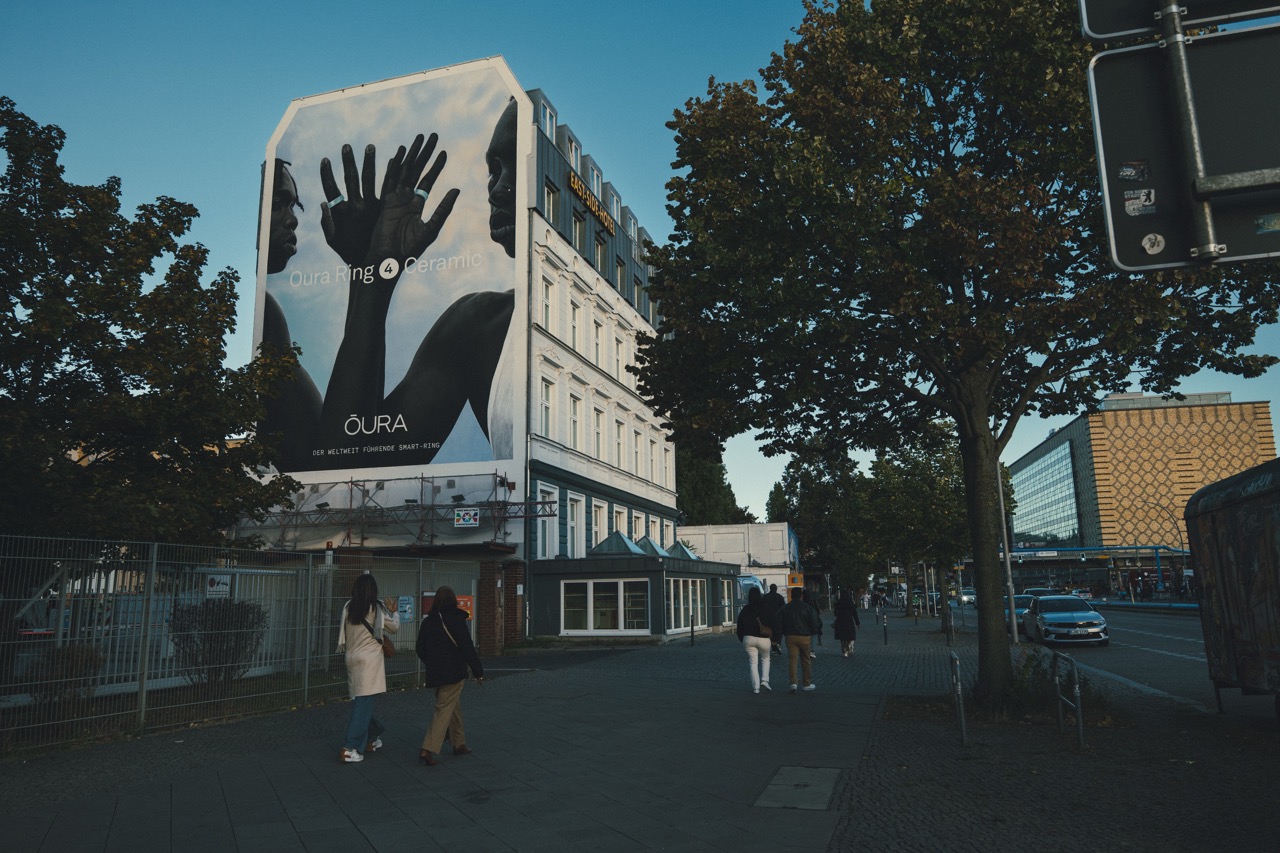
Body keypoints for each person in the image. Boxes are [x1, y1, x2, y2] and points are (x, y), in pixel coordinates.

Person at [415, 585, 485, 766]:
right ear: (453, 601)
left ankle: (458, 742)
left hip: (435, 672)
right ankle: (428, 748)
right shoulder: (456, 620)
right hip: (454, 672)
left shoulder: (428, 622)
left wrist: (431, 662)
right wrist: (478, 672)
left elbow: (419, 649)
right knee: (444, 709)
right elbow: (467, 647)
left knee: (453, 707)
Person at [336, 572, 400, 763]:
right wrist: (394, 611)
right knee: (363, 703)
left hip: (351, 657)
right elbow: (394, 628)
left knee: (362, 701)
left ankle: (371, 738)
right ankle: (350, 747)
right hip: (369, 661)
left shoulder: (348, 606)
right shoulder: (376, 608)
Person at [778, 587, 822, 693]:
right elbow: (815, 622)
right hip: (805, 636)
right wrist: (813, 631)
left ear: (791, 596)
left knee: (792, 659)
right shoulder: (807, 608)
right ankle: (806, 683)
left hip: (790, 636)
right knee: (806, 659)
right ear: (801, 596)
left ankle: (793, 683)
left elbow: (779, 621)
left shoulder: (785, 608)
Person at [735, 587, 774, 694]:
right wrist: (774, 639)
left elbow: (739, 626)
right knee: (766, 659)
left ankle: (756, 688)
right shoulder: (766, 608)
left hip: (748, 638)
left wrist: (742, 638)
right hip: (764, 639)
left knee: (753, 663)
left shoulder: (745, 609)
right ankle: (765, 681)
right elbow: (773, 623)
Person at [832, 590, 862, 657]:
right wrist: (858, 623)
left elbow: (835, 614)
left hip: (840, 622)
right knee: (850, 636)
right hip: (849, 622)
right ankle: (849, 645)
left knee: (842, 637)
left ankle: (844, 650)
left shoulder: (839, 604)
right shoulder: (851, 604)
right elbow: (855, 614)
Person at [761, 583, 786, 656]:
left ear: (770, 588)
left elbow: (762, 607)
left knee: (770, 633)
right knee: (779, 632)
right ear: (776, 589)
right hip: (778, 618)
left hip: (768, 618)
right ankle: (778, 644)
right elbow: (783, 608)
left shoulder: (765, 597)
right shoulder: (780, 597)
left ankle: (773, 649)